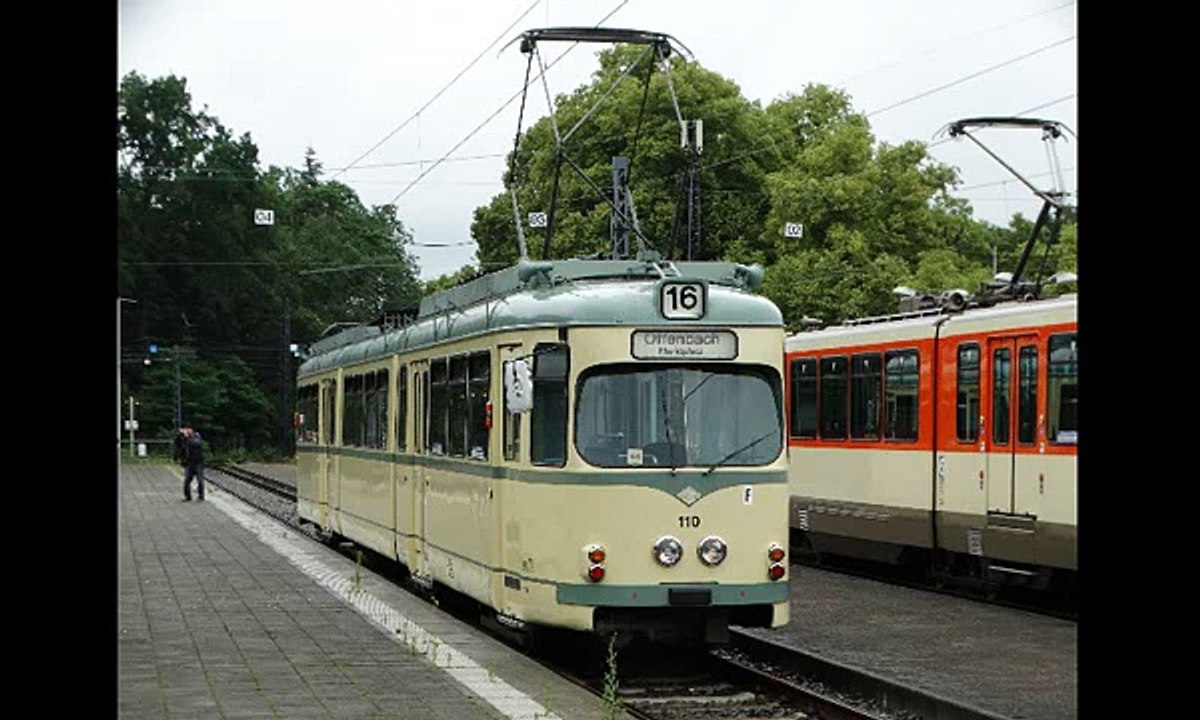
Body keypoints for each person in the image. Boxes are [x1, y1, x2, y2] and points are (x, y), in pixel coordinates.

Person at [181, 427, 206, 501]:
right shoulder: (186, 438)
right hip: (190, 462)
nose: (186, 431)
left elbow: (196, 444)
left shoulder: (196, 436)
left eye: (187, 429)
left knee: (200, 480)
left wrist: (188, 437)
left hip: (198, 462)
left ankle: (201, 496)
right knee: (186, 481)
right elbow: (180, 445)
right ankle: (188, 496)